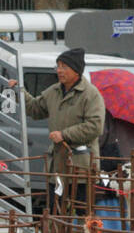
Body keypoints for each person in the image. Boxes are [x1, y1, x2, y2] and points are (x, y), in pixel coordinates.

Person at [7, 48, 105, 215]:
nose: (59, 70)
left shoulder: (90, 95)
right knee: (55, 210)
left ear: (76, 70)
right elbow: (35, 109)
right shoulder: (54, 91)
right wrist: (19, 92)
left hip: (81, 166)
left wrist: (65, 134)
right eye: (58, 66)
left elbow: (95, 126)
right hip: (58, 165)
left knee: (83, 212)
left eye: (64, 67)